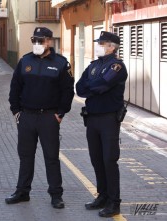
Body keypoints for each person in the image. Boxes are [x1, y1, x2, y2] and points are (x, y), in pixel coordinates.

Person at [6, 27, 74, 209]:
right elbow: (15, 88)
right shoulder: (25, 61)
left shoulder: (61, 63)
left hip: (48, 118)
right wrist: (16, 111)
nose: (37, 44)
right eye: (34, 40)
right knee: (25, 156)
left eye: (41, 40)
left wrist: (60, 113)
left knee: (51, 157)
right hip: (27, 117)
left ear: (50, 42)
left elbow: (68, 91)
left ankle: (56, 195)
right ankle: (22, 192)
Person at [76, 31, 128, 217]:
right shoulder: (94, 65)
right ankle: (102, 196)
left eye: (102, 43)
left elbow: (101, 86)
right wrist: (93, 86)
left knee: (109, 160)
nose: (98, 45)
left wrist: (93, 86)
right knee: (96, 159)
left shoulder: (117, 67)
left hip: (108, 119)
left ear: (112, 47)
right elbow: (79, 88)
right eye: (98, 42)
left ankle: (114, 202)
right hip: (92, 118)